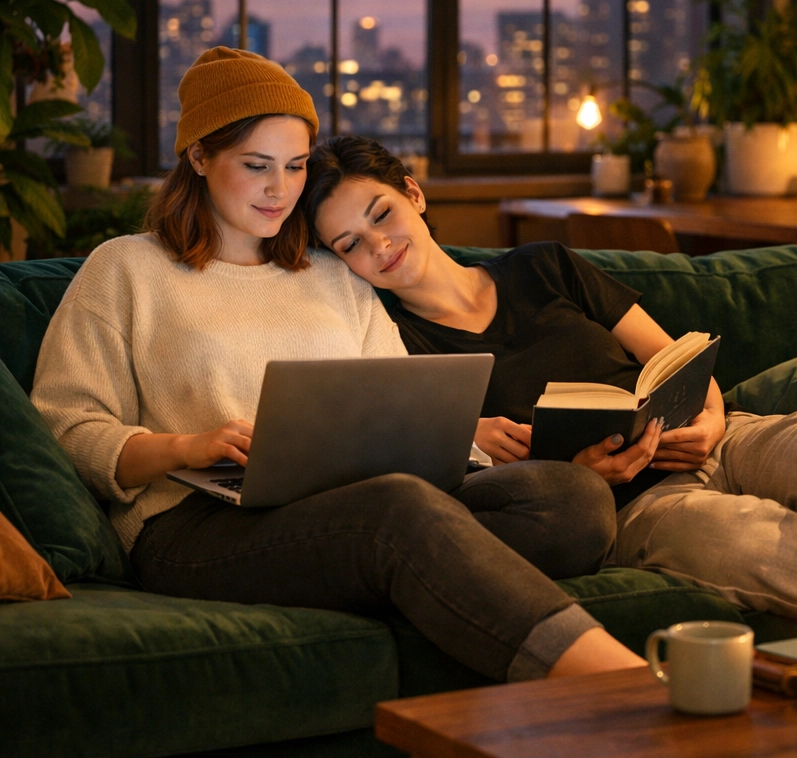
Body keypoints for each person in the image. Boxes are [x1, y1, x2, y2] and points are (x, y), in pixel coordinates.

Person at [30, 47, 647, 684]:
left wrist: (458, 441)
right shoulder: (127, 268)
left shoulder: (332, 275)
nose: (280, 189)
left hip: (347, 504)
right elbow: (67, 428)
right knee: (397, 511)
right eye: (256, 166)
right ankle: (618, 683)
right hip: (197, 527)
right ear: (199, 158)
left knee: (569, 499)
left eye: (295, 166)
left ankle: (408, 569)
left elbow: (399, 401)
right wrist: (184, 446)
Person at [301, 134, 797, 634]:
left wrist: (710, 417)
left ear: (414, 194)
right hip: (637, 505)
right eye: (350, 246)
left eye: (381, 215)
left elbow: (675, 355)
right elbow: (476, 487)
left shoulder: (543, 266)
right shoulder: (395, 343)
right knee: (755, 549)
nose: (379, 247)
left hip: (722, 437)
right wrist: (563, 469)